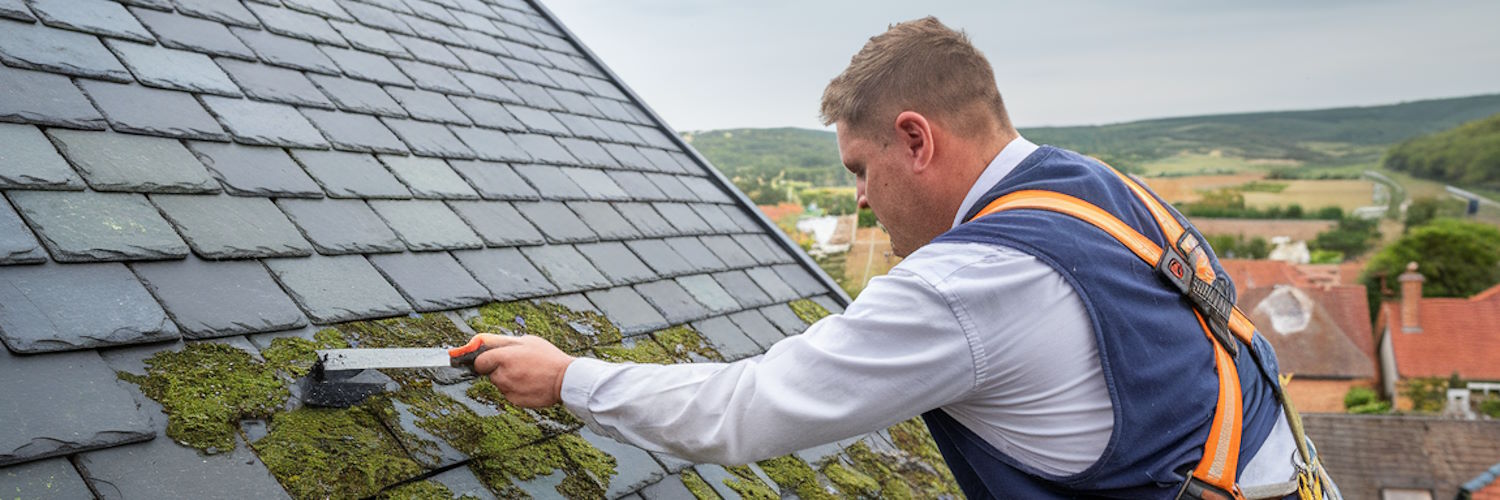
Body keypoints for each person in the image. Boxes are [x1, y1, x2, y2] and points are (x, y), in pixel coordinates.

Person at [473, 17, 1337, 499]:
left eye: (860, 167)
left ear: (916, 139)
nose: (859, 198)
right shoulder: (1106, 189)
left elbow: (742, 410)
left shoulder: (968, 284)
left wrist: (567, 378)